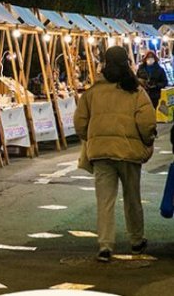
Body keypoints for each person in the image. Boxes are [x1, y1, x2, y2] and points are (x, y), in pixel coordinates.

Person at [74, 46, 156, 263]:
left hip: (101, 153)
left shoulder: (93, 92)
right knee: (132, 198)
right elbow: (147, 123)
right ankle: (136, 241)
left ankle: (105, 245)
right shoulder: (136, 91)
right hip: (129, 152)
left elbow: (79, 122)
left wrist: (91, 137)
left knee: (104, 201)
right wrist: (146, 141)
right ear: (126, 62)